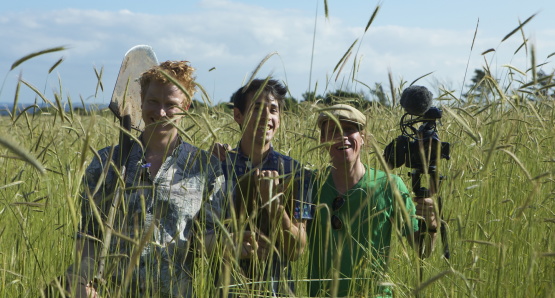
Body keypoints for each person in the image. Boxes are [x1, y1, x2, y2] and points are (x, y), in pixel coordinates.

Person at [64, 61, 224, 297]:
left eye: (171, 105)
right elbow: (89, 235)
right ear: (141, 100)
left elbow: (206, 240)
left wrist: (236, 243)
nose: (160, 112)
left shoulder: (204, 167)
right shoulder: (109, 162)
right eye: (153, 102)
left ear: (186, 107)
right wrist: (80, 282)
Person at [307, 104, 438, 297]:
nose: (342, 136)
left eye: (350, 130)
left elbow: (423, 250)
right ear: (322, 139)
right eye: (333, 130)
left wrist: (431, 225)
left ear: (364, 138)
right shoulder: (310, 185)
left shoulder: (389, 185)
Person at [202, 78, 313, 296]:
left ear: (280, 118)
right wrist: (229, 243)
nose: (267, 117)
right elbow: (196, 240)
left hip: (277, 290)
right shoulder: (216, 167)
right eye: (257, 108)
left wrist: (274, 204)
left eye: (273, 110)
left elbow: (298, 249)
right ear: (238, 115)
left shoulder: (297, 174)